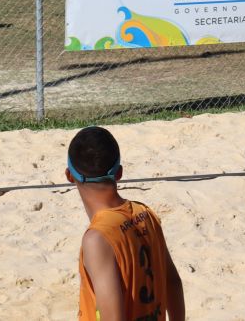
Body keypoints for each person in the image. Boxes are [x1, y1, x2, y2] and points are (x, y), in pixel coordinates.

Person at [66, 126, 185, 321]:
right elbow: (173, 283)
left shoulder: (97, 238)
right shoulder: (145, 214)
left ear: (69, 175)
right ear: (119, 172)